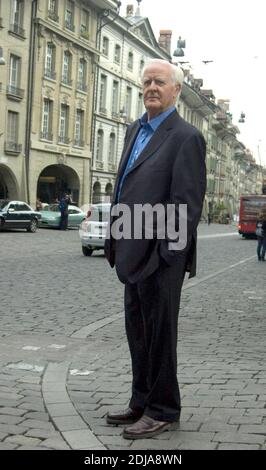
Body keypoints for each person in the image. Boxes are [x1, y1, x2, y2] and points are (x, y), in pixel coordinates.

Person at [104, 59, 206, 440]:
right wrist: (115, 239)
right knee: (138, 332)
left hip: (161, 259)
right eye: (146, 81)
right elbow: (124, 186)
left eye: (159, 82)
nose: (151, 87)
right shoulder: (135, 129)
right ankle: (141, 400)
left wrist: (166, 256)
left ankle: (163, 409)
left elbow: (187, 204)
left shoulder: (186, 137)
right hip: (130, 251)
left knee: (161, 334)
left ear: (176, 90)